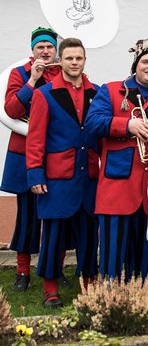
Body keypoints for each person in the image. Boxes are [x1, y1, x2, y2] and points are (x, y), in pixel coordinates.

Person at [85, 40, 148, 282]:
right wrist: (126, 125)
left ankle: (144, 300)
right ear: (135, 66)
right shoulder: (110, 91)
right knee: (113, 253)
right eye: (145, 62)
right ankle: (110, 297)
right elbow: (92, 123)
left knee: (147, 255)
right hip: (118, 186)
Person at [26, 38, 99, 307]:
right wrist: (35, 174)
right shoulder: (43, 94)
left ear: (84, 60)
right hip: (57, 177)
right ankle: (50, 289)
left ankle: (89, 287)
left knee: (89, 235)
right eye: (69, 58)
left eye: (79, 58)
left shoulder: (97, 92)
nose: (74, 63)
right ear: (60, 61)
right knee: (54, 236)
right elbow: (35, 138)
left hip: (89, 175)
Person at [2, 27, 62, 292]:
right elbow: (12, 109)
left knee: (58, 214)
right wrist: (32, 81)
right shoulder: (20, 74)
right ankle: (23, 270)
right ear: (33, 50)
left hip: (56, 151)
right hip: (26, 151)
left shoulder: (64, 72)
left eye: (49, 47)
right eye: (41, 47)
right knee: (27, 216)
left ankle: (55, 269)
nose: (46, 51)